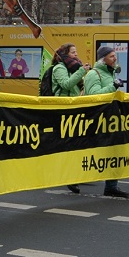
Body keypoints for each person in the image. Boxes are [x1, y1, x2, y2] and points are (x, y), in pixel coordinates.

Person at [43, 43, 91, 194]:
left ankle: (71, 176)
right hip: (61, 110)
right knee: (64, 143)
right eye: (73, 52)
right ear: (65, 55)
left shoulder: (74, 68)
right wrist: (82, 71)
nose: (76, 55)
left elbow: (77, 88)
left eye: (76, 52)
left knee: (73, 143)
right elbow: (66, 84)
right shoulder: (59, 68)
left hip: (73, 110)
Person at [84, 46, 129, 198]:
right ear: (103, 59)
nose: (115, 58)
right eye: (111, 56)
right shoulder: (93, 74)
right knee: (92, 152)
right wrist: (113, 86)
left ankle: (111, 186)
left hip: (111, 119)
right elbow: (94, 95)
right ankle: (74, 178)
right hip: (97, 120)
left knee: (114, 151)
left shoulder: (110, 73)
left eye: (115, 56)